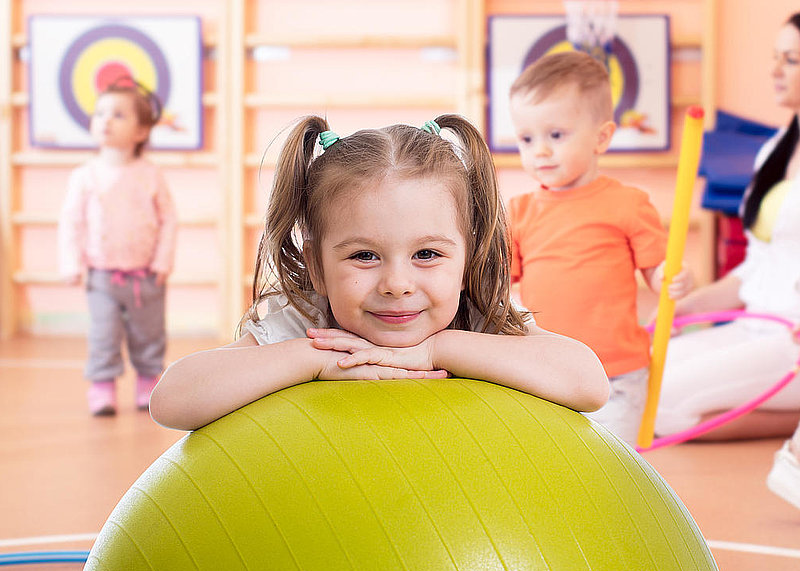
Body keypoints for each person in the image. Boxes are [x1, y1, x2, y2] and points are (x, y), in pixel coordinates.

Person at [149, 114, 609, 431]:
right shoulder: (305, 327)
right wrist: (317, 361)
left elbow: (588, 383)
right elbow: (172, 399)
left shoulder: (479, 319)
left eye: (427, 254)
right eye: (364, 256)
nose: (397, 284)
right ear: (317, 266)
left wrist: (439, 349)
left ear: (468, 262)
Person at [506, 51, 693, 445]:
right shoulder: (518, 212)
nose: (539, 150)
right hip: (547, 366)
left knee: (617, 468)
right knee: (555, 461)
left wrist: (672, 279)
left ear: (602, 137)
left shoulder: (628, 203)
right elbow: (498, 284)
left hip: (617, 373)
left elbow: (658, 272)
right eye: (526, 138)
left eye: (555, 136)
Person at [654, 13, 800, 511]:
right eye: (775, 57)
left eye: (792, 59)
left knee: (666, 406)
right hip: (753, 327)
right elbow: (753, 272)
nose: (777, 70)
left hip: (793, 340)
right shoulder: (775, 152)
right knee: (640, 377)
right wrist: (685, 310)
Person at [58, 78, 177, 416]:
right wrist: (72, 263)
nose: (105, 120)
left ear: (141, 131)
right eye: (100, 113)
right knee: (103, 334)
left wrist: (162, 261)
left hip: (146, 275)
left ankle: (148, 382)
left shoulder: (150, 174)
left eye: (118, 115)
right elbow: (72, 221)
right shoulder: (85, 176)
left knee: (149, 333)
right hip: (101, 276)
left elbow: (169, 219)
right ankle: (102, 386)